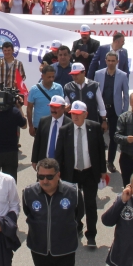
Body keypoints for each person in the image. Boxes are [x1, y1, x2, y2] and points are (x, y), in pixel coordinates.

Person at [55, 101, 107, 246]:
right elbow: (59, 153)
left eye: (78, 114)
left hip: (90, 172)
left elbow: (100, 151)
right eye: (72, 114)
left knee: (90, 204)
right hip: (72, 173)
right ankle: (76, 226)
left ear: (85, 114)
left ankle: (91, 234)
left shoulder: (94, 128)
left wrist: (103, 170)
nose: (75, 117)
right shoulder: (65, 130)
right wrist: (57, 172)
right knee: (73, 203)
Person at [95, 51, 130, 171]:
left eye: (113, 61)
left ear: (117, 62)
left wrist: (124, 112)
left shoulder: (123, 75)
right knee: (98, 137)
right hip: (101, 110)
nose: (110, 63)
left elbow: (126, 95)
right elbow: (95, 92)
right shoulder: (98, 74)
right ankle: (99, 161)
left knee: (114, 137)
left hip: (115, 110)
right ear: (105, 61)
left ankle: (110, 161)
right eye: (108, 61)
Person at [26, 64, 65, 135]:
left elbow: (62, 105)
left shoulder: (59, 88)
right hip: (39, 125)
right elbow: (29, 108)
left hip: (55, 124)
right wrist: (31, 126)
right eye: (49, 77)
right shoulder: (34, 90)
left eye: (53, 77)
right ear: (42, 76)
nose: (51, 79)